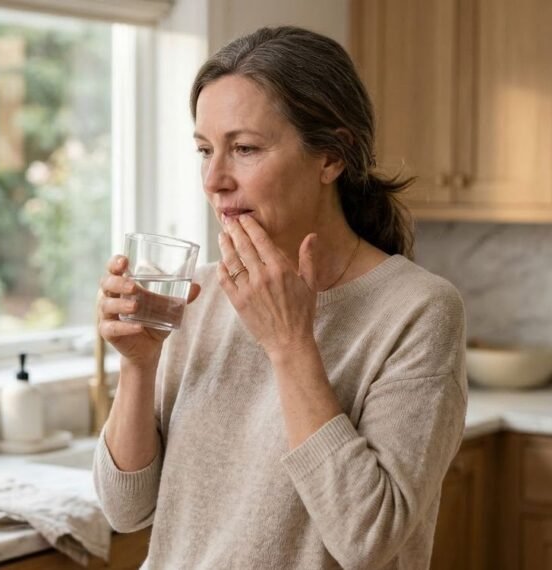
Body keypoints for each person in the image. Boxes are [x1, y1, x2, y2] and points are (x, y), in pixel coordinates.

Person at [94, 26, 467, 570]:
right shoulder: (197, 293)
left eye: (244, 149)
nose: (214, 179)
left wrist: (291, 343)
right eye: (204, 150)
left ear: (331, 157)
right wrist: (139, 365)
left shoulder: (419, 311)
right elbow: (125, 510)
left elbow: (368, 539)